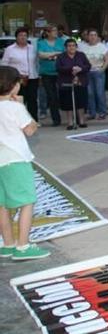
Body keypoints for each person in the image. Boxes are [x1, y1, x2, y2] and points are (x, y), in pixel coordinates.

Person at [0, 66, 49, 260]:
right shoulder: (15, 107)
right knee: (27, 202)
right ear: (13, 86)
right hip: (16, 159)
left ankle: (8, 243)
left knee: (2, 205)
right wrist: (26, 111)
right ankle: (23, 246)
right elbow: (30, 130)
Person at [0, 27, 38, 120]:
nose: (23, 37)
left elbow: (37, 62)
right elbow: (4, 64)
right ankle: (19, 120)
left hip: (32, 77)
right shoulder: (10, 49)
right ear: (16, 37)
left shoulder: (32, 48)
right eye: (20, 35)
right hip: (17, 79)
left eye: (25, 35)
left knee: (32, 100)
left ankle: (33, 119)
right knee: (18, 99)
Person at [56, 38, 90, 129]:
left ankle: (81, 121)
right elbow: (58, 68)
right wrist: (72, 69)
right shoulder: (61, 56)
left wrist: (80, 69)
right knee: (68, 103)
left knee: (81, 101)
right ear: (66, 47)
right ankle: (70, 122)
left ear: (76, 46)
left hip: (80, 81)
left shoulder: (81, 55)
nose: (71, 47)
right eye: (69, 46)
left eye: (73, 45)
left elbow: (88, 66)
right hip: (66, 82)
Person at [36, 24, 64, 126]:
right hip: (46, 73)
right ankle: (56, 119)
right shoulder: (41, 42)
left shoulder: (61, 41)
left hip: (60, 72)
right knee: (51, 96)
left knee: (62, 95)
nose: (56, 32)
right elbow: (41, 55)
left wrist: (50, 55)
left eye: (56, 30)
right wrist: (56, 54)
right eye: (53, 31)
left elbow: (64, 53)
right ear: (47, 33)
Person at [78, 29, 108, 120]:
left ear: (97, 36)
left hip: (98, 72)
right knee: (90, 93)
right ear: (87, 37)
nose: (92, 37)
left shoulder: (102, 47)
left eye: (94, 35)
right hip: (87, 73)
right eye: (90, 35)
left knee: (99, 93)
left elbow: (107, 59)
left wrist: (102, 69)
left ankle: (102, 112)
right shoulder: (83, 48)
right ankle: (92, 113)